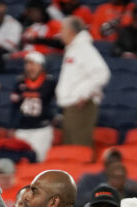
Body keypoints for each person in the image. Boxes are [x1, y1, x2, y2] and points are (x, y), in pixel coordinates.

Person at [56, 17, 110, 147]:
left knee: (78, 148)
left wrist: (85, 95)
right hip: (72, 107)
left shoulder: (84, 48)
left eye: (63, 30)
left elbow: (102, 73)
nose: (60, 34)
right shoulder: (73, 49)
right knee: (70, 148)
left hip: (81, 106)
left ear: (71, 31)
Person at [9, 52, 56, 162]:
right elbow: (14, 105)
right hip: (22, 128)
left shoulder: (50, 82)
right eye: (28, 64)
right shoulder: (20, 82)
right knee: (20, 161)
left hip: (41, 128)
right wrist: (12, 126)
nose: (30, 68)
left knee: (39, 160)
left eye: (33, 64)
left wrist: (53, 118)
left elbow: (55, 103)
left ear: (41, 66)